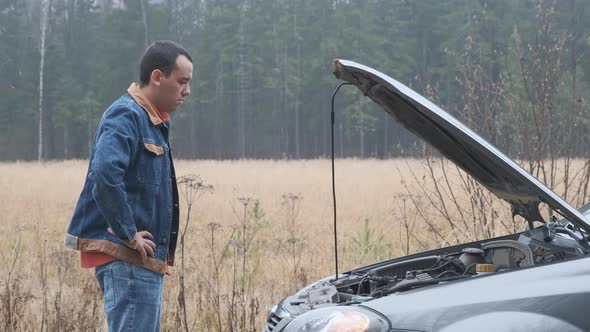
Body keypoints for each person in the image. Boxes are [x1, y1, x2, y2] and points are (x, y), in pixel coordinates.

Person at [65, 40, 193, 331]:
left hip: (139, 260)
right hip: (128, 258)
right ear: (157, 77)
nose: (187, 91)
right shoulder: (127, 114)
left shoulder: (151, 119)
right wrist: (129, 234)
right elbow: (104, 175)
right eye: (182, 82)